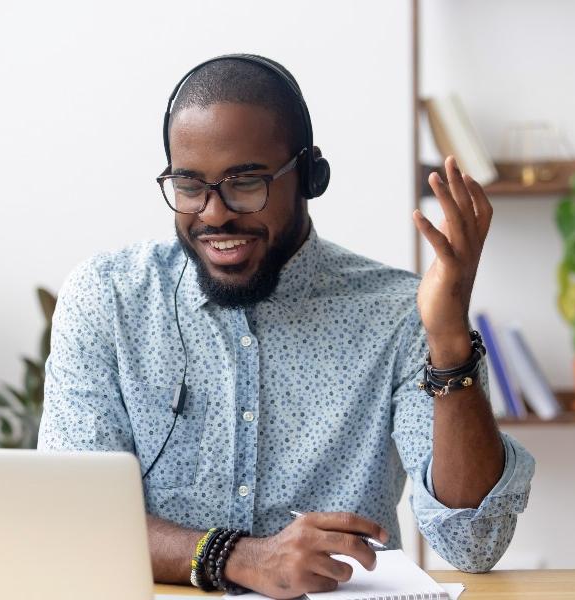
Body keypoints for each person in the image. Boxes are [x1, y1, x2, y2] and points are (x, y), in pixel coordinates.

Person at [38, 54, 534, 599]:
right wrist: (240, 558)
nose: (213, 214)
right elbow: (75, 521)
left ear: (310, 177)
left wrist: (448, 339)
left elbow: (474, 543)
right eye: (189, 185)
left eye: (245, 183)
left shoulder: (399, 314)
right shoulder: (109, 299)